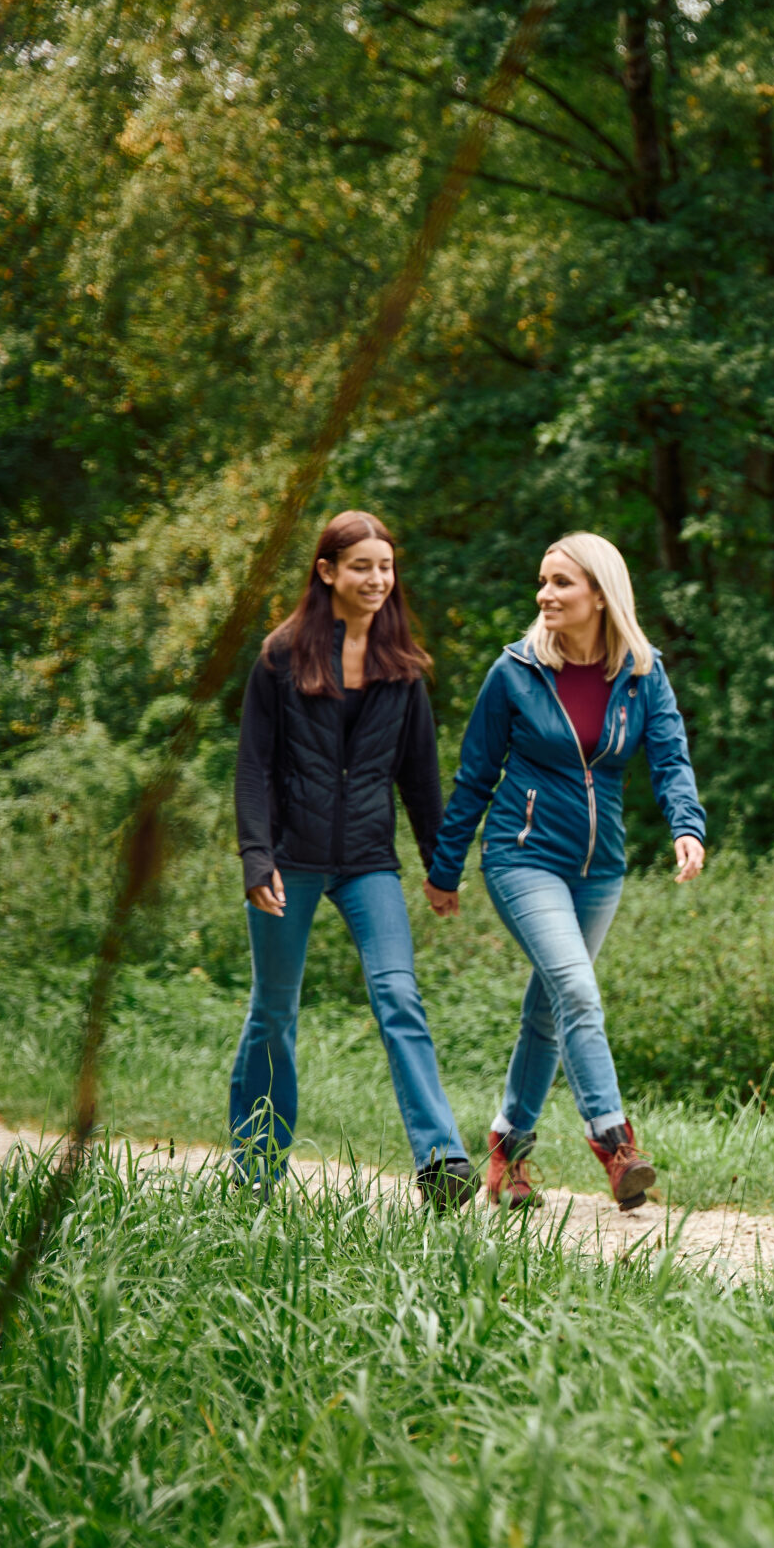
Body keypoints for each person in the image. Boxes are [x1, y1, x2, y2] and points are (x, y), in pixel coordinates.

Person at [425, 532, 707, 1213]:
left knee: (550, 1009)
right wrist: (445, 866)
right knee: (577, 989)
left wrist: (687, 825)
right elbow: (474, 776)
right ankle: (616, 1143)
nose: (545, 594)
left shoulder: (642, 672)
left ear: (601, 595)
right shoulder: (514, 671)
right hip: (521, 857)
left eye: (561, 583)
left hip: (599, 869)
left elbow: (669, 758)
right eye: (543, 581)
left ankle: (507, 1150)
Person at [231, 510, 476, 1209]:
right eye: (362, 566)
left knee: (400, 995)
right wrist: (256, 858)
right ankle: (257, 1166)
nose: (377, 579)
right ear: (327, 570)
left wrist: (441, 866)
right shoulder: (281, 656)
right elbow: (253, 767)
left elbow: (422, 779)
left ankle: (441, 1159)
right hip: (290, 859)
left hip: (370, 860)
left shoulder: (403, 670)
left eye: (386, 567)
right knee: (273, 1011)